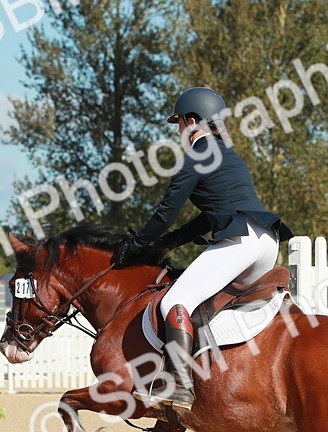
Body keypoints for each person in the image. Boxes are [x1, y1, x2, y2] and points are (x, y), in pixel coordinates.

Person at [113, 87, 293, 410]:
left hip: (242, 241)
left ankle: (180, 386)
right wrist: (175, 240)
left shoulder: (197, 154)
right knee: (209, 302)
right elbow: (213, 213)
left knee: (175, 300)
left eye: (179, 124)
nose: (179, 131)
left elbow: (166, 211)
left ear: (192, 121)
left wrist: (137, 245)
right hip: (267, 241)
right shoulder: (229, 155)